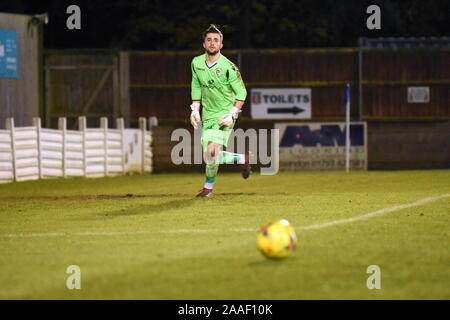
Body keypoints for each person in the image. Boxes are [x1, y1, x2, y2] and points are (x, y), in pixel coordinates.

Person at [190, 24, 250, 198]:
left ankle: (208, 189)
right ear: (204, 44)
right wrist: (195, 108)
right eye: (209, 40)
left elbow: (241, 93)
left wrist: (232, 114)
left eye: (216, 40)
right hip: (207, 115)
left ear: (221, 45)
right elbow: (196, 85)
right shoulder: (196, 63)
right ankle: (241, 159)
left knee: (211, 152)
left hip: (224, 115)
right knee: (210, 156)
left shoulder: (228, 67)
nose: (212, 43)